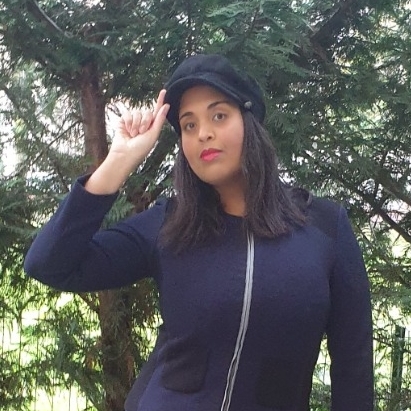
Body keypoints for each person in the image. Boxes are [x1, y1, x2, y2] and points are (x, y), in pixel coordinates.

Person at [24, 54, 374, 411]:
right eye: (189, 125)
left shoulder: (323, 228)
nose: (203, 133)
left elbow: (353, 366)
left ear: (250, 121)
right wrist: (119, 161)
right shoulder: (170, 224)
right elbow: (49, 263)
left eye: (218, 116)